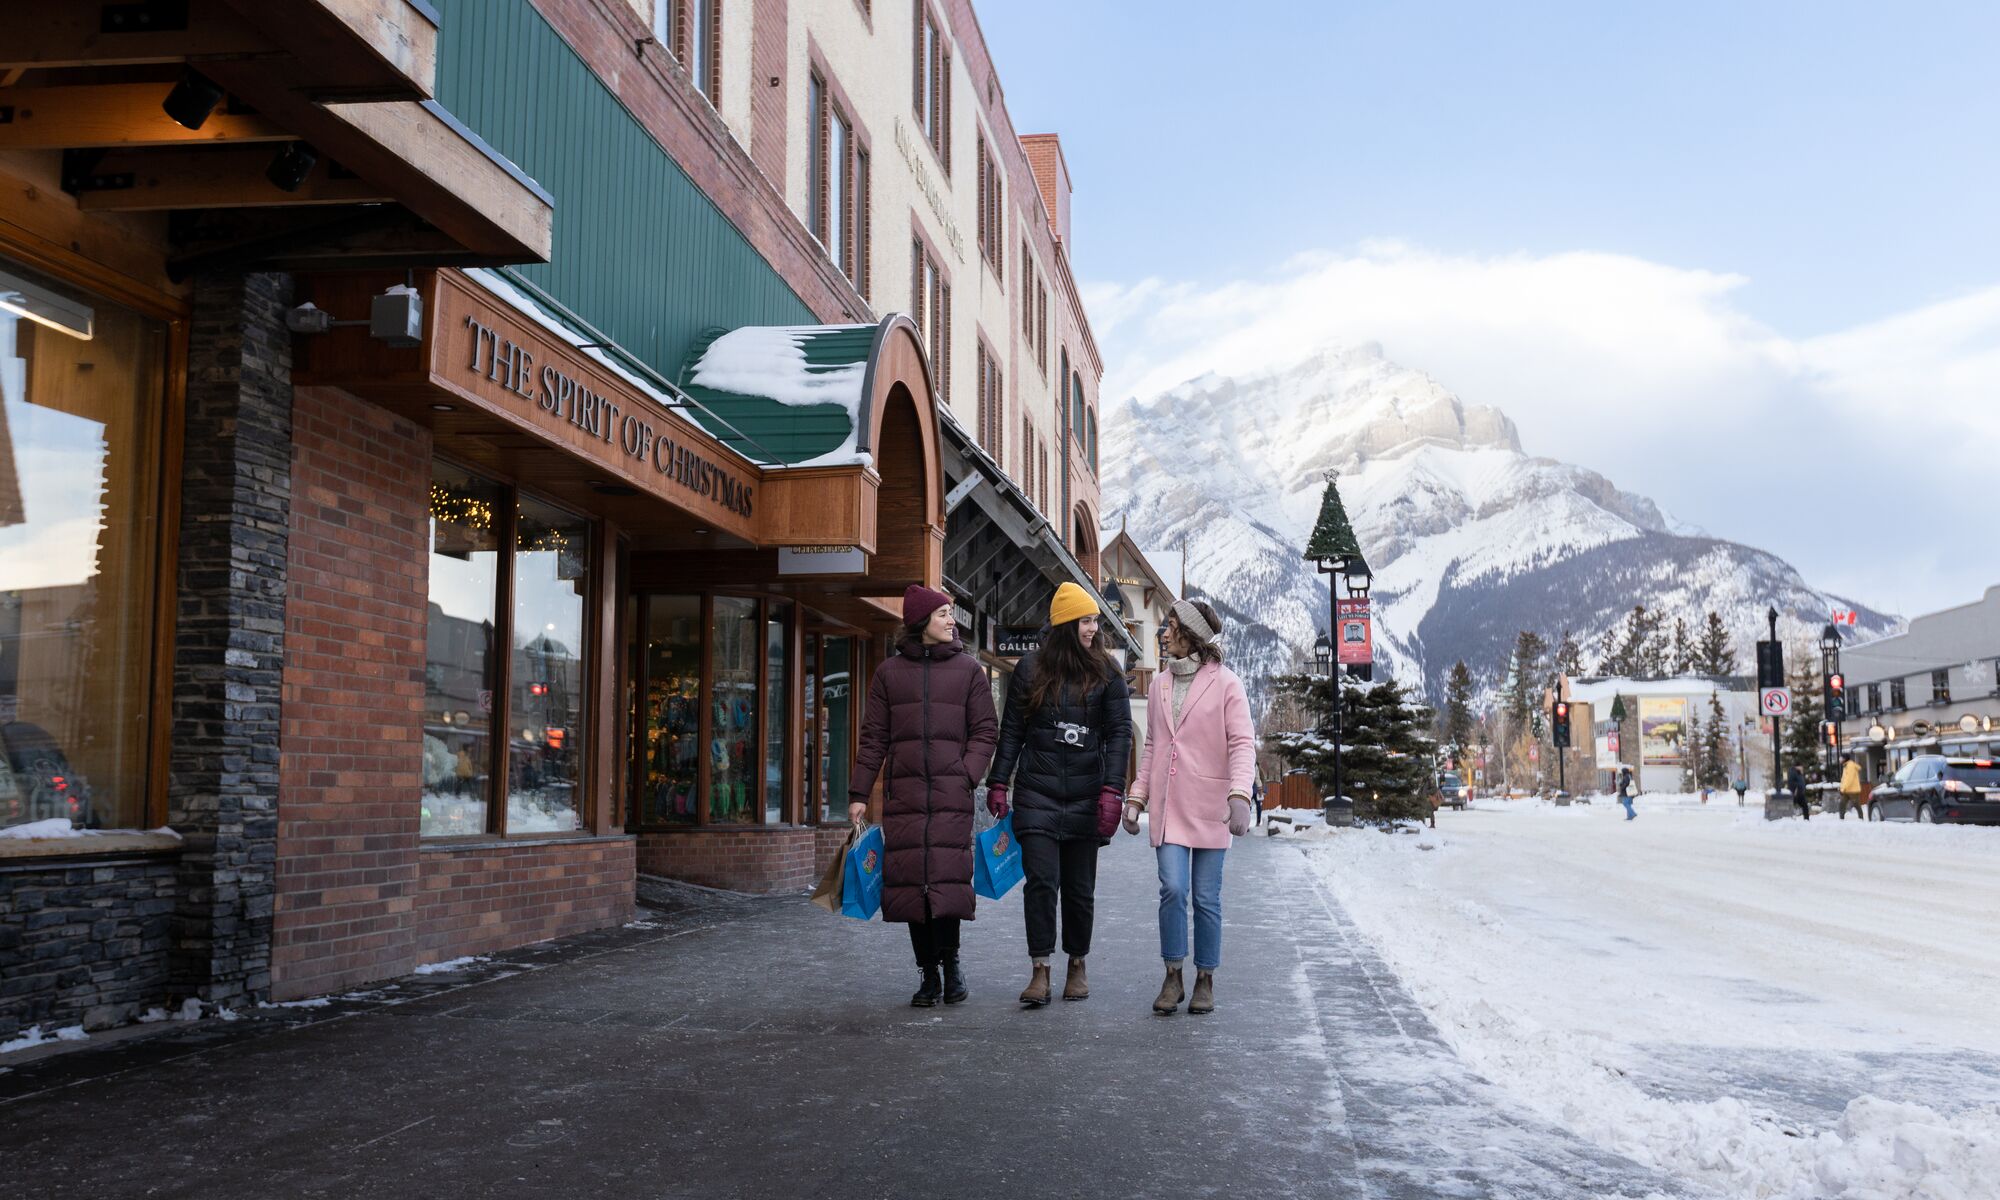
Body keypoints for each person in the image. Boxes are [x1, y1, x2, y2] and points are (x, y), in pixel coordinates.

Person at [848, 584, 998, 1008]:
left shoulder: (969, 670)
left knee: (948, 880)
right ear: (920, 623)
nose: (952, 621)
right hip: (907, 794)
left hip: (951, 793)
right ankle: (927, 973)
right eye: (943, 614)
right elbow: (874, 737)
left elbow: (986, 730)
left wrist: (967, 773)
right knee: (913, 884)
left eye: (951, 613)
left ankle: (951, 967)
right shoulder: (888, 674)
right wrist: (860, 791)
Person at [987, 582, 1132, 1007]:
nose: (1093, 628)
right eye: (1086, 620)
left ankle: (1077, 964)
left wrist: (1112, 791)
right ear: (1067, 624)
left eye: (1094, 621)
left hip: (1087, 795)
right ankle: (1040, 969)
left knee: (1079, 888)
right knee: (1041, 884)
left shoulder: (1108, 673)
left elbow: (1121, 734)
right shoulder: (1029, 670)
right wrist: (1000, 781)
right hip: (1038, 793)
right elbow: (1011, 730)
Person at [1123, 599, 1255, 1016]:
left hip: (1211, 805)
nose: (1163, 633)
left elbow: (1242, 743)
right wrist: (1137, 795)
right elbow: (1152, 746)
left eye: (1171, 626)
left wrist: (1239, 795)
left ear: (1191, 634)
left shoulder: (1227, 683)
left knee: (1206, 897)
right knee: (1173, 889)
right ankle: (1173, 973)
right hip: (1169, 806)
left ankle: (1205, 978)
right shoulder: (1160, 684)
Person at [1839, 755, 1865, 820]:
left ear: (1845, 759)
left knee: (1856, 804)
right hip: (1846, 790)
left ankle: (1861, 818)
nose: (1840, 760)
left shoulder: (1850, 766)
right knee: (1842, 803)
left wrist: (1843, 788)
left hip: (1853, 790)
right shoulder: (1846, 766)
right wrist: (1842, 787)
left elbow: (1849, 779)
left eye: (1841, 758)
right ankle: (1841, 819)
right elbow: (1844, 779)